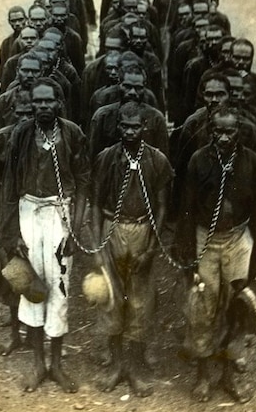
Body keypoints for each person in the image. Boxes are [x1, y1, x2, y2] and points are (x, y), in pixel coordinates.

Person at [175, 103, 256, 404]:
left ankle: (228, 376)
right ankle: (203, 375)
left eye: (230, 131)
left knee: (237, 310)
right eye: (218, 130)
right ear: (210, 131)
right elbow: (187, 210)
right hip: (206, 240)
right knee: (203, 307)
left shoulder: (252, 162)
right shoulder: (198, 161)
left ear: (240, 132)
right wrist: (187, 256)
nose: (224, 137)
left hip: (238, 240)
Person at [0, 79, 90, 393]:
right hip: (28, 213)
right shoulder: (20, 135)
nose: (42, 107)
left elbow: (82, 184)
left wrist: (74, 231)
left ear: (58, 102)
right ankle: (38, 364)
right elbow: (9, 188)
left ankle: (57, 364)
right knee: (32, 284)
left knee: (60, 288)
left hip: (59, 214)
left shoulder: (72, 134)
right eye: (36, 102)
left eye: (47, 101)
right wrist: (11, 235)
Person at [90, 102, 172, 397]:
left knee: (140, 302)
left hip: (142, 230)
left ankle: (135, 368)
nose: (130, 131)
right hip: (113, 229)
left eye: (135, 126)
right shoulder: (106, 158)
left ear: (144, 128)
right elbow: (97, 205)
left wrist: (152, 246)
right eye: (125, 126)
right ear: (117, 127)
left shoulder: (158, 160)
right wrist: (98, 247)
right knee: (111, 298)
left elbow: (162, 207)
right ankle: (116, 365)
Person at [0, 90, 34, 355]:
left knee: (37, 271)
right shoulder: (1, 140)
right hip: (9, 214)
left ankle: (35, 330)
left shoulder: (41, 138)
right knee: (14, 272)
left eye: (29, 113)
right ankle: (15, 333)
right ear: (10, 113)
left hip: (36, 213)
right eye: (19, 113)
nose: (24, 118)